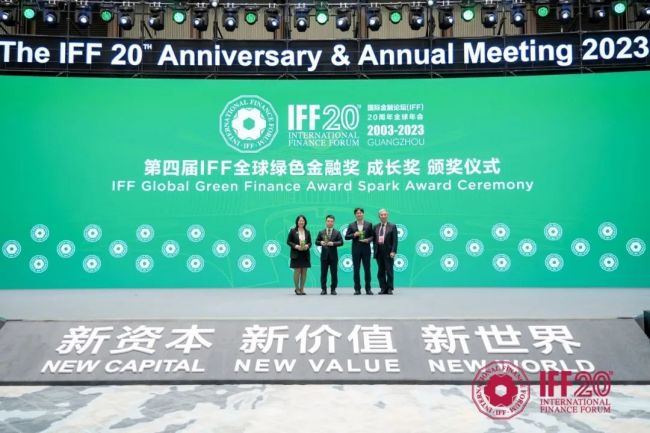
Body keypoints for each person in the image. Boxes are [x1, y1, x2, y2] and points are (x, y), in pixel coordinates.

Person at [345, 207, 374, 295]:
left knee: (367, 269)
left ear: (363, 214)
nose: (359, 214)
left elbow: (373, 236)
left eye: (360, 213)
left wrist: (368, 240)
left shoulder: (369, 224)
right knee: (356, 270)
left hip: (366, 250)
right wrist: (354, 234)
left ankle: (368, 289)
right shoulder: (351, 225)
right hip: (356, 250)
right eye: (357, 213)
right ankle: (357, 289)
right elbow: (346, 237)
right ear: (355, 215)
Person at [315, 215, 344, 295]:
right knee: (323, 273)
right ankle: (323, 289)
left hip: (333, 257)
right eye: (328, 221)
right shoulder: (321, 232)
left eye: (331, 221)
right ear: (326, 222)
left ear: (334, 222)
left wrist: (333, 243)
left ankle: (333, 289)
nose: (330, 223)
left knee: (334, 274)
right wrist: (320, 242)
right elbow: (316, 242)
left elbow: (341, 242)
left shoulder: (337, 232)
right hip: (324, 256)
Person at [374, 208, 398, 295]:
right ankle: (383, 288)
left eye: (385, 215)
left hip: (388, 252)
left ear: (387, 216)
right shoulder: (375, 227)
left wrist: (393, 251)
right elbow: (373, 239)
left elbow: (395, 240)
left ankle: (390, 288)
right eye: (381, 215)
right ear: (379, 216)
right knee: (380, 272)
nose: (383, 216)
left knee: (389, 271)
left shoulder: (392, 226)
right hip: (379, 252)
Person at [287, 215, 311, 295]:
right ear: (297, 222)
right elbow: (288, 241)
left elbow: (310, 243)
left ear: (305, 222)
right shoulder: (292, 231)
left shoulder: (307, 232)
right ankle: (297, 288)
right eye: (300, 221)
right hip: (296, 254)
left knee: (304, 271)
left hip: (305, 254)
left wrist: (307, 246)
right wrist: (296, 246)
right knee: (297, 271)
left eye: (303, 221)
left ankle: (302, 289)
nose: (301, 222)